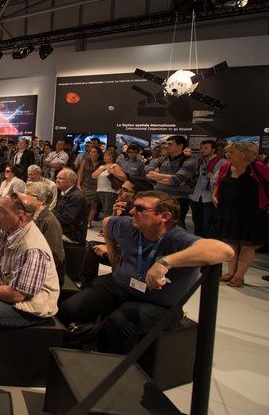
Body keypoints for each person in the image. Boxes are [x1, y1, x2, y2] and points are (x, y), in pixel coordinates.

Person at [59, 191, 233, 354]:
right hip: (119, 285)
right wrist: (114, 257)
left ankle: (114, 367)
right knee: (69, 308)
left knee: (121, 323)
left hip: (157, 303)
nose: (132, 211)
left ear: (165, 216)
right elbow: (107, 223)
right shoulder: (129, 226)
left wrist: (165, 262)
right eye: (134, 206)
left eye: (140, 209)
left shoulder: (177, 237)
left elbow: (224, 251)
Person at [0, 193, 60, 341]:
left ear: (21, 217)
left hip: (28, 306)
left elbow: (17, 294)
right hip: (8, 285)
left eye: (2, 210)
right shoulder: (6, 228)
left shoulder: (32, 248)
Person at [212, 141, 269, 287]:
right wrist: (215, 196)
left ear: (243, 153)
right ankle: (230, 272)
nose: (228, 155)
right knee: (231, 243)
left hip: (250, 212)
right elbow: (218, 182)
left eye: (232, 152)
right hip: (228, 211)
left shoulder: (258, 168)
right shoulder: (226, 166)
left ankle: (239, 276)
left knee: (246, 245)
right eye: (227, 152)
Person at [79, 177, 154, 287]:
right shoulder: (125, 208)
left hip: (136, 256)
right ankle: (87, 286)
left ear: (138, 196)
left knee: (93, 250)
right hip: (122, 248)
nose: (119, 192)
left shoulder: (146, 218)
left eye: (125, 190)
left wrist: (111, 249)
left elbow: (133, 243)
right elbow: (110, 236)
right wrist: (115, 216)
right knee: (92, 248)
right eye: (120, 189)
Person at [145, 136, 197, 227]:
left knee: (175, 226)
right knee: (158, 225)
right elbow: (148, 172)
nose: (166, 146)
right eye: (166, 143)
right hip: (160, 198)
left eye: (170, 144)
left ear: (180, 146)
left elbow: (176, 180)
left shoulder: (189, 162)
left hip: (177, 200)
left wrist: (157, 176)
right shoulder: (161, 159)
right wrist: (170, 177)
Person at [26, 181, 65, 284]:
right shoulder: (30, 215)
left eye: (29, 194)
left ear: (41, 201)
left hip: (45, 276)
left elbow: (54, 256)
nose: (24, 197)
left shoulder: (49, 221)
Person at [189, 140, 225, 238]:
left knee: (209, 226)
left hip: (210, 197)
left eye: (206, 148)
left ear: (213, 149)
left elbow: (223, 180)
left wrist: (213, 177)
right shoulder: (199, 161)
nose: (202, 150)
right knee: (197, 223)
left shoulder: (222, 163)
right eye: (201, 148)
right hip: (196, 196)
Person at [52, 168, 89, 245]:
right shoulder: (64, 193)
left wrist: (49, 221)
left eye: (60, 178)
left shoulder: (77, 197)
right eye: (57, 178)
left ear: (71, 182)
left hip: (72, 235)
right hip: (64, 229)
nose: (57, 180)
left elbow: (66, 219)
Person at [78, 146, 103, 228]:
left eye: (94, 152)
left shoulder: (102, 164)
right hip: (85, 185)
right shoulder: (85, 161)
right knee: (83, 204)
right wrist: (78, 184)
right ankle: (82, 220)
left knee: (94, 205)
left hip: (96, 185)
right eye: (91, 152)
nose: (91, 153)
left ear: (98, 154)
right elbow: (80, 173)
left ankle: (88, 222)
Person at [93, 148, 120, 219]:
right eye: (105, 155)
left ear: (112, 157)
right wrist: (103, 169)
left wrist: (113, 172)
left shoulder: (115, 166)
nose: (105, 157)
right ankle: (106, 227)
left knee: (108, 211)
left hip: (110, 191)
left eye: (107, 155)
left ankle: (107, 227)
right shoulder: (102, 166)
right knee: (105, 210)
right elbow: (93, 176)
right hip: (101, 190)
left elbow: (124, 177)